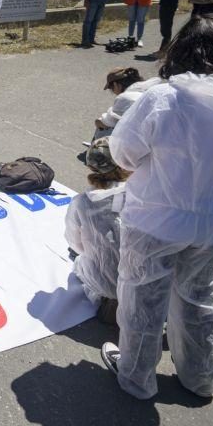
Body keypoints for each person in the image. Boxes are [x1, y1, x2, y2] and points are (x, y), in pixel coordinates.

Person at [101, 14, 213, 400]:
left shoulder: (163, 97)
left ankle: (136, 377)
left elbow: (125, 154)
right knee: (199, 299)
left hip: (154, 220)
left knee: (143, 301)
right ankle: (200, 376)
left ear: (183, 50)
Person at [64, 137, 130, 323]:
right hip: (152, 277)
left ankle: (111, 301)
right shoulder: (145, 194)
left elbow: (75, 243)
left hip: (106, 282)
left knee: (79, 259)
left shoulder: (82, 202)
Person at [94, 67, 160, 135]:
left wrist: (98, 122)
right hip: (162, 133)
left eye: (111, 88)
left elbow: (108, 122)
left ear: (115, 85)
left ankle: (96, 144)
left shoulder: (125, 98)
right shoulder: (151, 87)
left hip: (144, 138)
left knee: (102, 126)